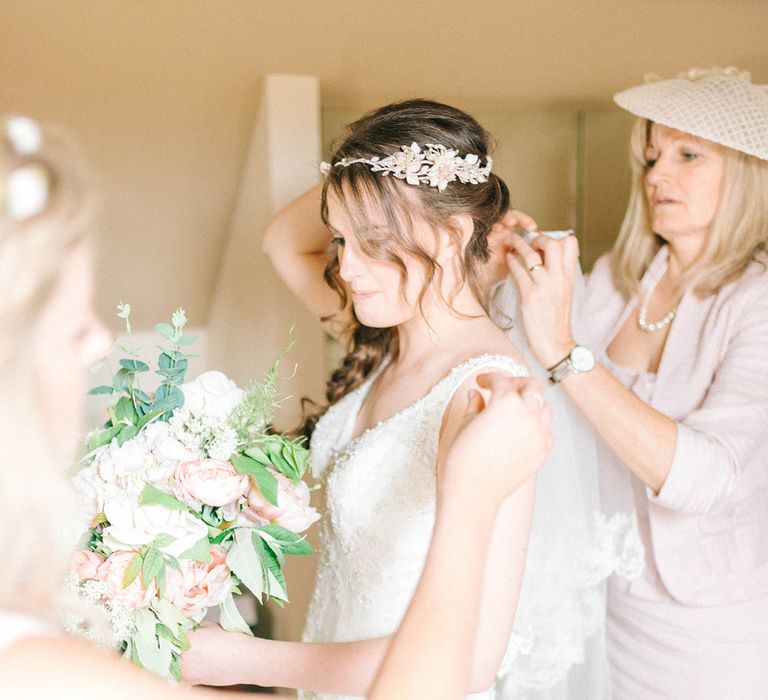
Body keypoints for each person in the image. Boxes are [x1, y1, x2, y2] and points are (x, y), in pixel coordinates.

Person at [0, 113, 552, 699]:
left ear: (451, 235)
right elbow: (281, 240)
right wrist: (370, 172)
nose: (345, 267)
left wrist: (246, 659)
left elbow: (470, 666)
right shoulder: (383, 342)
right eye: (341, 238)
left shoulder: (487, 392)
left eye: (374, 243)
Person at [500, 67, 768, 699]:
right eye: (650, 157)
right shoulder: (618, 282)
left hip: (709, 623)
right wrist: (503, 258)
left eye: (687, 154)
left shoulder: (756, 303)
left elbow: (708, 479)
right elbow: (527, 364)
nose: (655, 176)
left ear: (751, 171)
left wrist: (567, 352)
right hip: (603, 603)